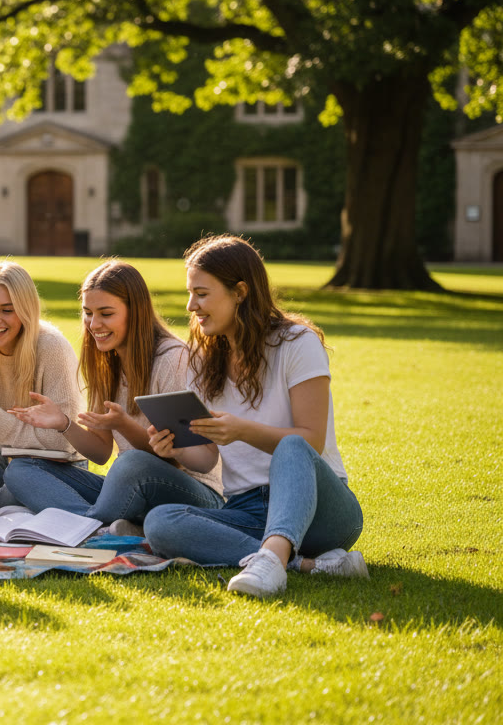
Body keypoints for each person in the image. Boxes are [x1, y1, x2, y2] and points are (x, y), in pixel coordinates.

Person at [141, 235, 367, 598]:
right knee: (161, 522)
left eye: (201, 293)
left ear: (240, 292)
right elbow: (207, 456)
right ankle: (301, 563)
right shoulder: (202, 361)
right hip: (248, 509)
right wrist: (175, 450)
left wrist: (243, 431)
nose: (190, 305)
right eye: (190, 293)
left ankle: (272, 566)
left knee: (292, 446)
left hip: (321, 508)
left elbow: (311, 440)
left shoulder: (298, 343)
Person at [7, 260, 224, 534]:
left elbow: (184, 459)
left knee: (130, 463)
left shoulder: (172, 359)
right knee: (22, 468)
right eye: (87, 313)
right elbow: (100, 452)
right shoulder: (105, 362)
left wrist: (124, 425)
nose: (94, 324)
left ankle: (81, 524)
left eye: (106, 313)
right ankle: (98, 525)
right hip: (130, 486)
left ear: (135, 313)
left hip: (192, 491)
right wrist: (63, 423)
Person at [0, 261, 81, 517]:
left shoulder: (52, 348)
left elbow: (63, 441)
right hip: (4, 453)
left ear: (26, 311)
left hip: (53, 465)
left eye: (7, 310)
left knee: (14, 483)